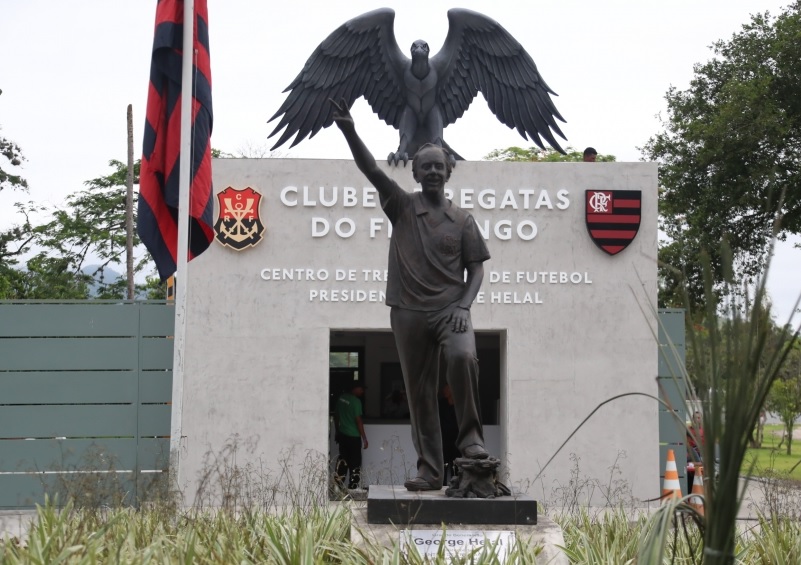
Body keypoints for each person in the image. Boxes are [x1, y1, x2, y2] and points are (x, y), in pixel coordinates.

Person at [333, 99, 491, 492]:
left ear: (449, 171)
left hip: (451, 310)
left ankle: (471, 441)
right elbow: (371, 169)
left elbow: (477, 269)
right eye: (427, 166)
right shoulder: (402, 206)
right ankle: (431, 470)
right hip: (408, 312)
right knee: (419, 392)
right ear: (416, 172)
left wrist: (464, 306)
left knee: (463, 356)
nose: (434, 171)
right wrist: (350, 131)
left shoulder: (463, 220)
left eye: (440, 165)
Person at [335, 381, 368, 490]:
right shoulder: (356, 401)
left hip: (343, 434)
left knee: (343, 460)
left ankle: (338, 485)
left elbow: (336, 416)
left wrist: (337, 431)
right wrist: (364, 438)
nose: (362, 391)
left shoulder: (341, 398)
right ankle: (353, 487)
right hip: (353, 436)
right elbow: (358, 420)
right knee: (355, 462)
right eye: (361, 389)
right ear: (354, 388)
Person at [438, 384, 460, 486]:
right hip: (444, 438)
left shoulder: (459, 404)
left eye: (447, 389)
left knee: (455, 463)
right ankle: (442, 484)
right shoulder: (441, 404)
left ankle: (455, 484)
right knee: (444, 463)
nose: (444, 391)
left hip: (456, 439)